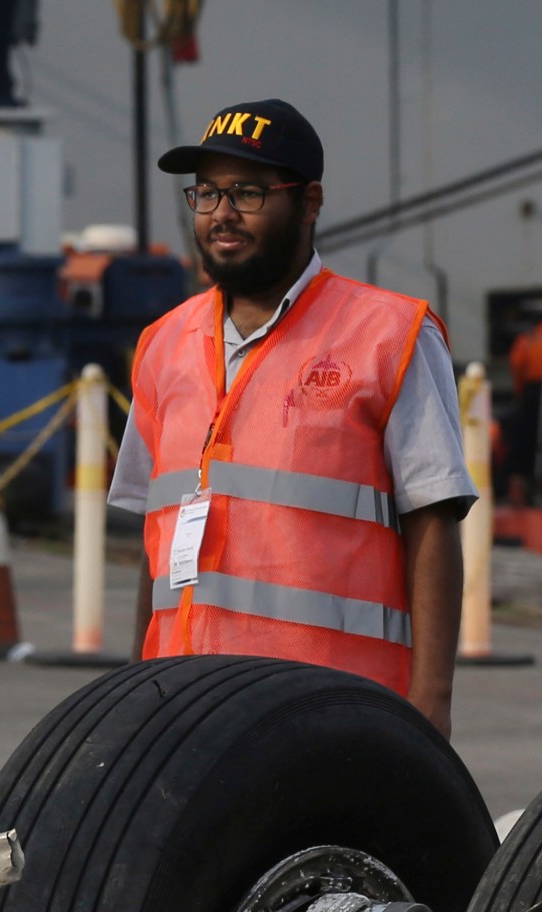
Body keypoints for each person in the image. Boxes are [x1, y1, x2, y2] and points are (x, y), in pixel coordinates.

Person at [111, 100, 471, 733]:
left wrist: (431, 707)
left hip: (334, 713)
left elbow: (433, 525)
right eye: (207, 193)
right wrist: (135, 696)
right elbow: (157, 544)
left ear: (309, 202)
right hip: (183, 714)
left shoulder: (389, 335)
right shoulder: (162, 345)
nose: (222, 213)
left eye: (248, 192)